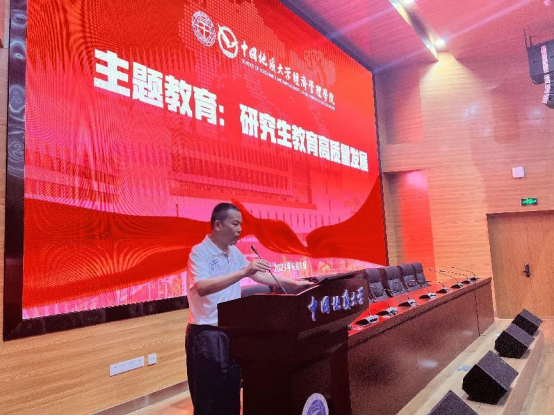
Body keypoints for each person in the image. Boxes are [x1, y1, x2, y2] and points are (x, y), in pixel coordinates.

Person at [185, 203, 313, 415]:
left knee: (231, 394)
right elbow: (202, 287)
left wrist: (294, 284)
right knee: (209, 399)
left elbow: (257, 275)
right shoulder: (199, 253)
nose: (240, 229)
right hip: (207, 335)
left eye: (241, 225)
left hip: (233, 333)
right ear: (218, 225)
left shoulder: (233, 252)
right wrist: (243, 272)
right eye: (235, 224)